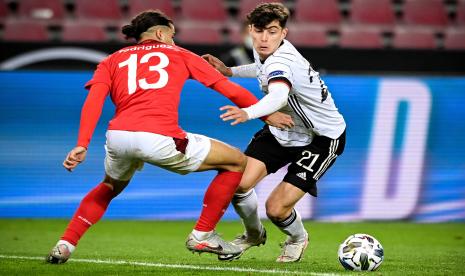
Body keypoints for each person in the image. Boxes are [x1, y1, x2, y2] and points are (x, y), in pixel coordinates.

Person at [46, 9, 293, 264]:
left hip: (118, 136)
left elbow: (94, 101)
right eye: (172, 36)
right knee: (236, 161)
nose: (174, 41)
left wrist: (82, 144)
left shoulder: (111, 60)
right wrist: (267, 115)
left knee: (109, 186)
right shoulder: (179, 54)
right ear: (162, 34)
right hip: (159, 136)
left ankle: (65, 244)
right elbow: (228, 88)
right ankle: (203, 233)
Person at [203, 2, 346, 263]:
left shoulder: (283, 60)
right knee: (238, 183)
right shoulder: (265, 52)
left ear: (284, 33)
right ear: (250, 31)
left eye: (271, 31)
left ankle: (297, 237)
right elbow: (261, 71)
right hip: (283, 129)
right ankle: (252, 235)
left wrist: (248, 112)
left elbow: (278, 94)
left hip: (321, 138)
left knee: (276, 209)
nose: (264, 38)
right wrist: (230, 71)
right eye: (259, 31)